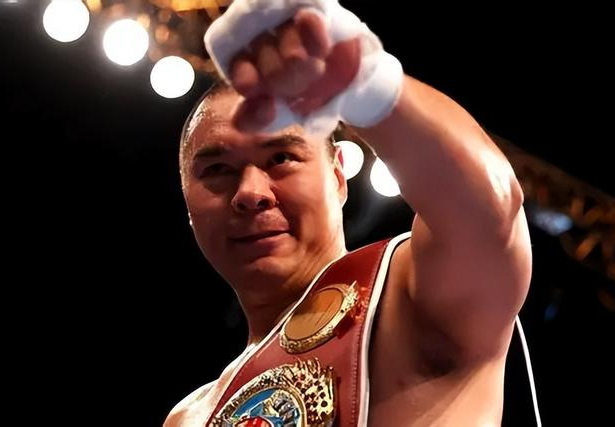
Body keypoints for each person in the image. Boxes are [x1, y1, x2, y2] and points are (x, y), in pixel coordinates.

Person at [164, 1, 532, 426]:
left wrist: (366, 82)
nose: (250, 193)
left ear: (339, 177)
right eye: (216, 170)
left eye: (281, 158)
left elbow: (491, 213)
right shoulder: (188, 418)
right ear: (188, 203)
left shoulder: (410, 299)